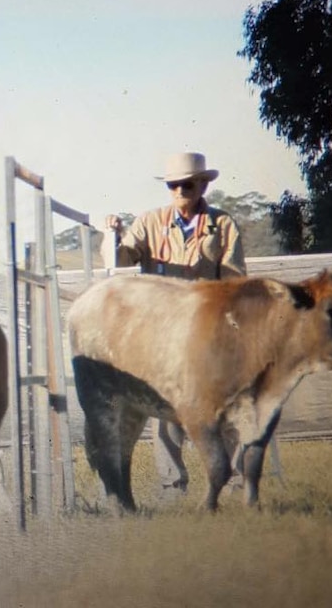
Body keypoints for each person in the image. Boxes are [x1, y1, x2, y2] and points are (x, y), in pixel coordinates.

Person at [103, 151, 247, 499]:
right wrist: (111, 234)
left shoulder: (223, 224)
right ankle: (171, 487)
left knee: (227, 409)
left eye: (187, 184)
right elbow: (118, 261)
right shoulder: (149, 222)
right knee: (164, 410)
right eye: (173, 185)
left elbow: (234, 279)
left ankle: (237, 484)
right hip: (163, 335)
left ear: (203, 185)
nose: (180, 190)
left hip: (209, 331)